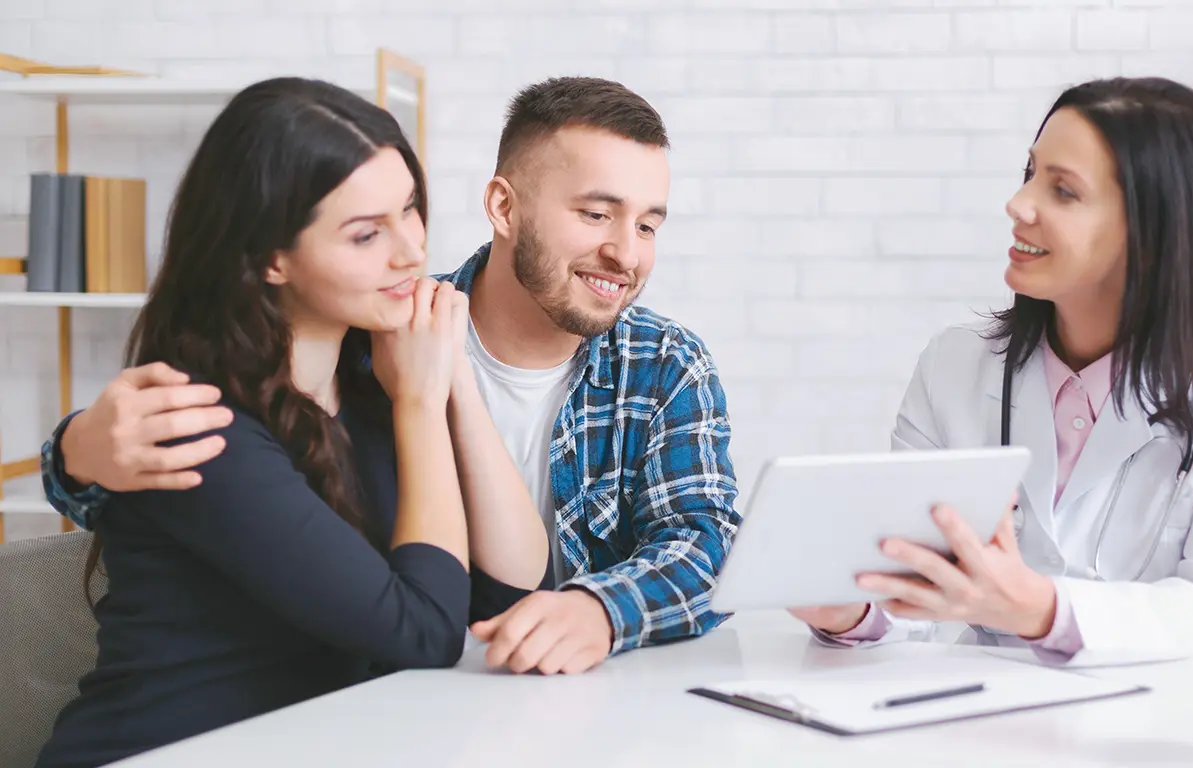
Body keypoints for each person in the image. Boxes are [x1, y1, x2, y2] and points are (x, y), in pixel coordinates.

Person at [37, 76, 742, 677]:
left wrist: (602, 610)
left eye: (647, 226)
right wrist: (74, 453)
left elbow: (702, 541)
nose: (626, 254)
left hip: (479, 703)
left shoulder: (660, 362)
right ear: (502, 207)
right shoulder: (359, 341)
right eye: (595, 214)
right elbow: (181, 483)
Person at [36, 78, 550, 768]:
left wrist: (449, 375)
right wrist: (423, 405)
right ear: (271, 258)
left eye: (409, 209)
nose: (410, 251)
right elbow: (425, 633)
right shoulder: (201, 424)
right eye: (366, 233)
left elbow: (510, 588)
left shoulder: (373, 381)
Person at [792, 76, 1193, 663]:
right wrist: (852, 612)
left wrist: (1041, 609)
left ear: (1155, 229)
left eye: (1063, 190)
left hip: (1159, 714)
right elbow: (916, 591)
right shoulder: (953, 364)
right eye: (1030, 173)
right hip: (985, 711)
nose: (1018, 204)